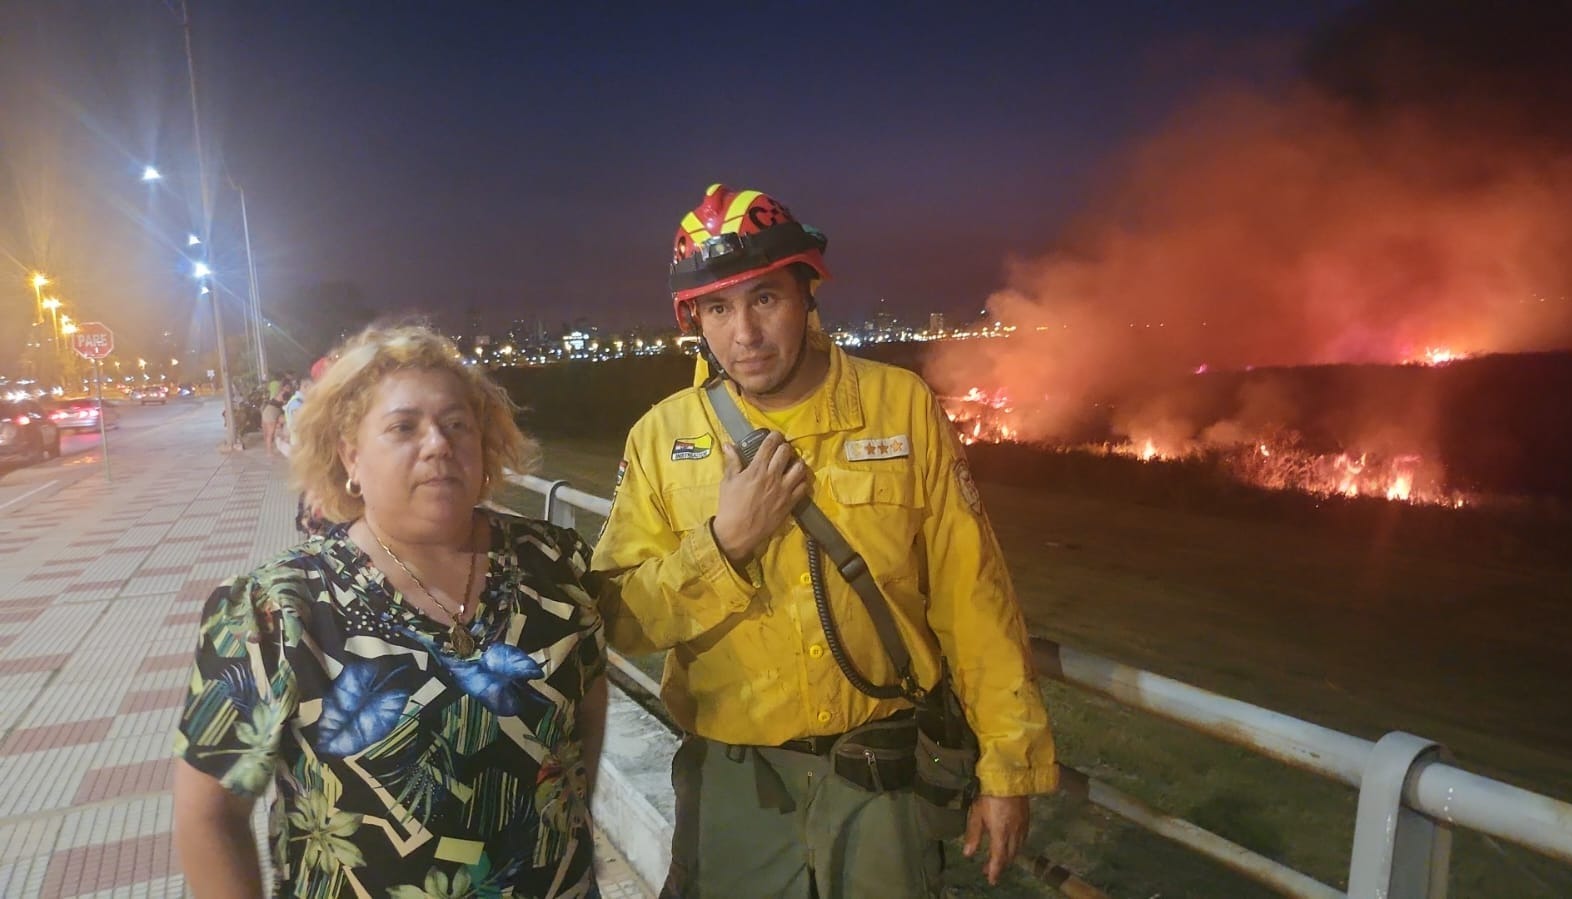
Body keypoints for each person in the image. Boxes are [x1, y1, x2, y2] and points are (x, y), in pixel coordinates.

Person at [593, 184, 1058, 898]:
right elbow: (618, 616)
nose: (743, 333)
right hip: (733, 788)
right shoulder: (662, 437)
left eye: (765, 298)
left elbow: (973, 594)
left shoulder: (898, 406)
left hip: (882, 783)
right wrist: (723, 547)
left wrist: (1008, 766)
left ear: (807, 292)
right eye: (717, 308)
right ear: (694, 320)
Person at [172, 324, 609, 899]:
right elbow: (208, 817)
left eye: (457, 424)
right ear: (351, 454)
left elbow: (583, 731)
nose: (438, 444)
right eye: (404, 427)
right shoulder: (275, 610)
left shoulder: (557, 563)